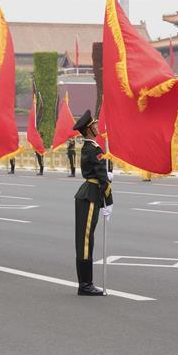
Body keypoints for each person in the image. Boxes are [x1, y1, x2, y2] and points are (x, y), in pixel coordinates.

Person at [73, 110, 112, 296]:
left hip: (88, 194)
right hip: (90, 196)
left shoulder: (89, 147)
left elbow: (100, 173)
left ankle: (85, 283)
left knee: (84, 239)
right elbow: (102, 178)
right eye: (94, 125)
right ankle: (85, 284)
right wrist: (109, 201)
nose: (97, 127)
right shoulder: (93, 148)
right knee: (86, 240)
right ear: (89, 130)